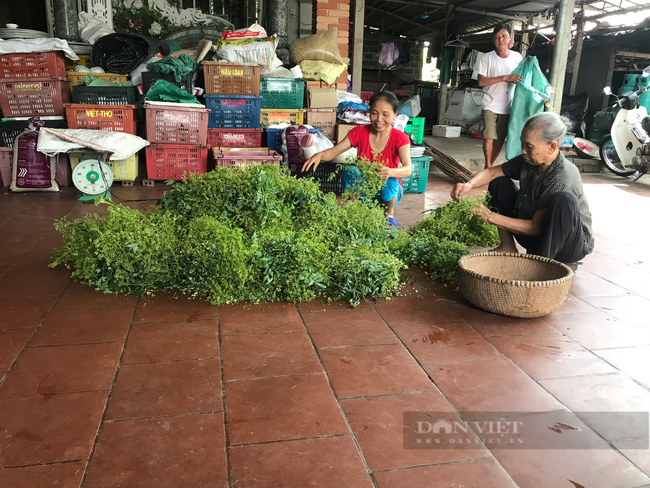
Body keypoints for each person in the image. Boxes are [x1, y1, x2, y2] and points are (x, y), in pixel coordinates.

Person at [450, 112, 594, 266]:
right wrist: (468, 185)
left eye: (529, 147)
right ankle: (507, 247)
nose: (523, 150)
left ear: (551, 146)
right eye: (522, 144)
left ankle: (540, 265)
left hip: (567, 246)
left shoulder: (562, 176)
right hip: (533, 234)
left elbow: (534, 228)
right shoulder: (529, 160)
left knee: (564, 200)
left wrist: (489, 216)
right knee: (498, 182)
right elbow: (492, 172)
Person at [302, 91, 412, 228]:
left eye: (385, 114)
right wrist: (319, 155)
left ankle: (389, 212)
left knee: (389, 180)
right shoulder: (359, 132)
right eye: (374, 113)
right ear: (369, 112)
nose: (379, 119)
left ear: (395, 114)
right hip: (364, 190)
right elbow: (333, 152)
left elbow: (407, 169)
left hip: (389, 194)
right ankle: (357, 207)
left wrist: (390, 172)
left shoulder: (400, 138)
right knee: (350, 170)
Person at [478, 23, 523, 169]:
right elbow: (481, 81)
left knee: (499, 140)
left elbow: (523, 79)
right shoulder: (487, 58)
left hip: (508, 105)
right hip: (489, 103)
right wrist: (505, 78)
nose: (500, 40)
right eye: (497, 37)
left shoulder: (517, 58)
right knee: (489, 136)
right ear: (493, 40)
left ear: (510, 38)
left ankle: (490, 166)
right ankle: (487, 166)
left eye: (503, 36)